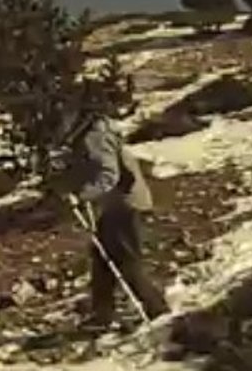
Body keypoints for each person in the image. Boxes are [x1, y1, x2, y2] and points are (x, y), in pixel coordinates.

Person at [57, 105, 170, 330]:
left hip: (125, 203)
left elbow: (108, 175)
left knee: (125, 260)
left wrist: (83, 195)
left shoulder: (95, 137)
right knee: (102, 258)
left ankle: (157, 310)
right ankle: (102, 314)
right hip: (117, 204)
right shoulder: (89, 134)